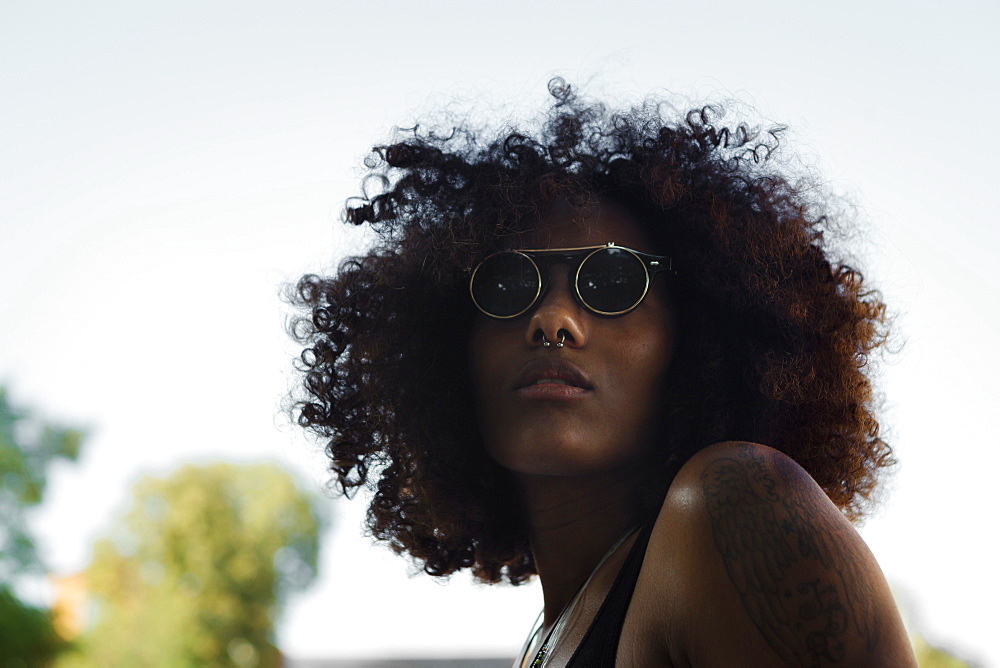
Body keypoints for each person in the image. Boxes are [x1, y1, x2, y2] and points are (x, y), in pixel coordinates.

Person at [288, 79, 917, 666]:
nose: (553, 319)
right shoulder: (544, 639)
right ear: (450, 348)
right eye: (507, 285)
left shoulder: (735, 504)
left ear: (698, 332)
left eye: (612, 282)